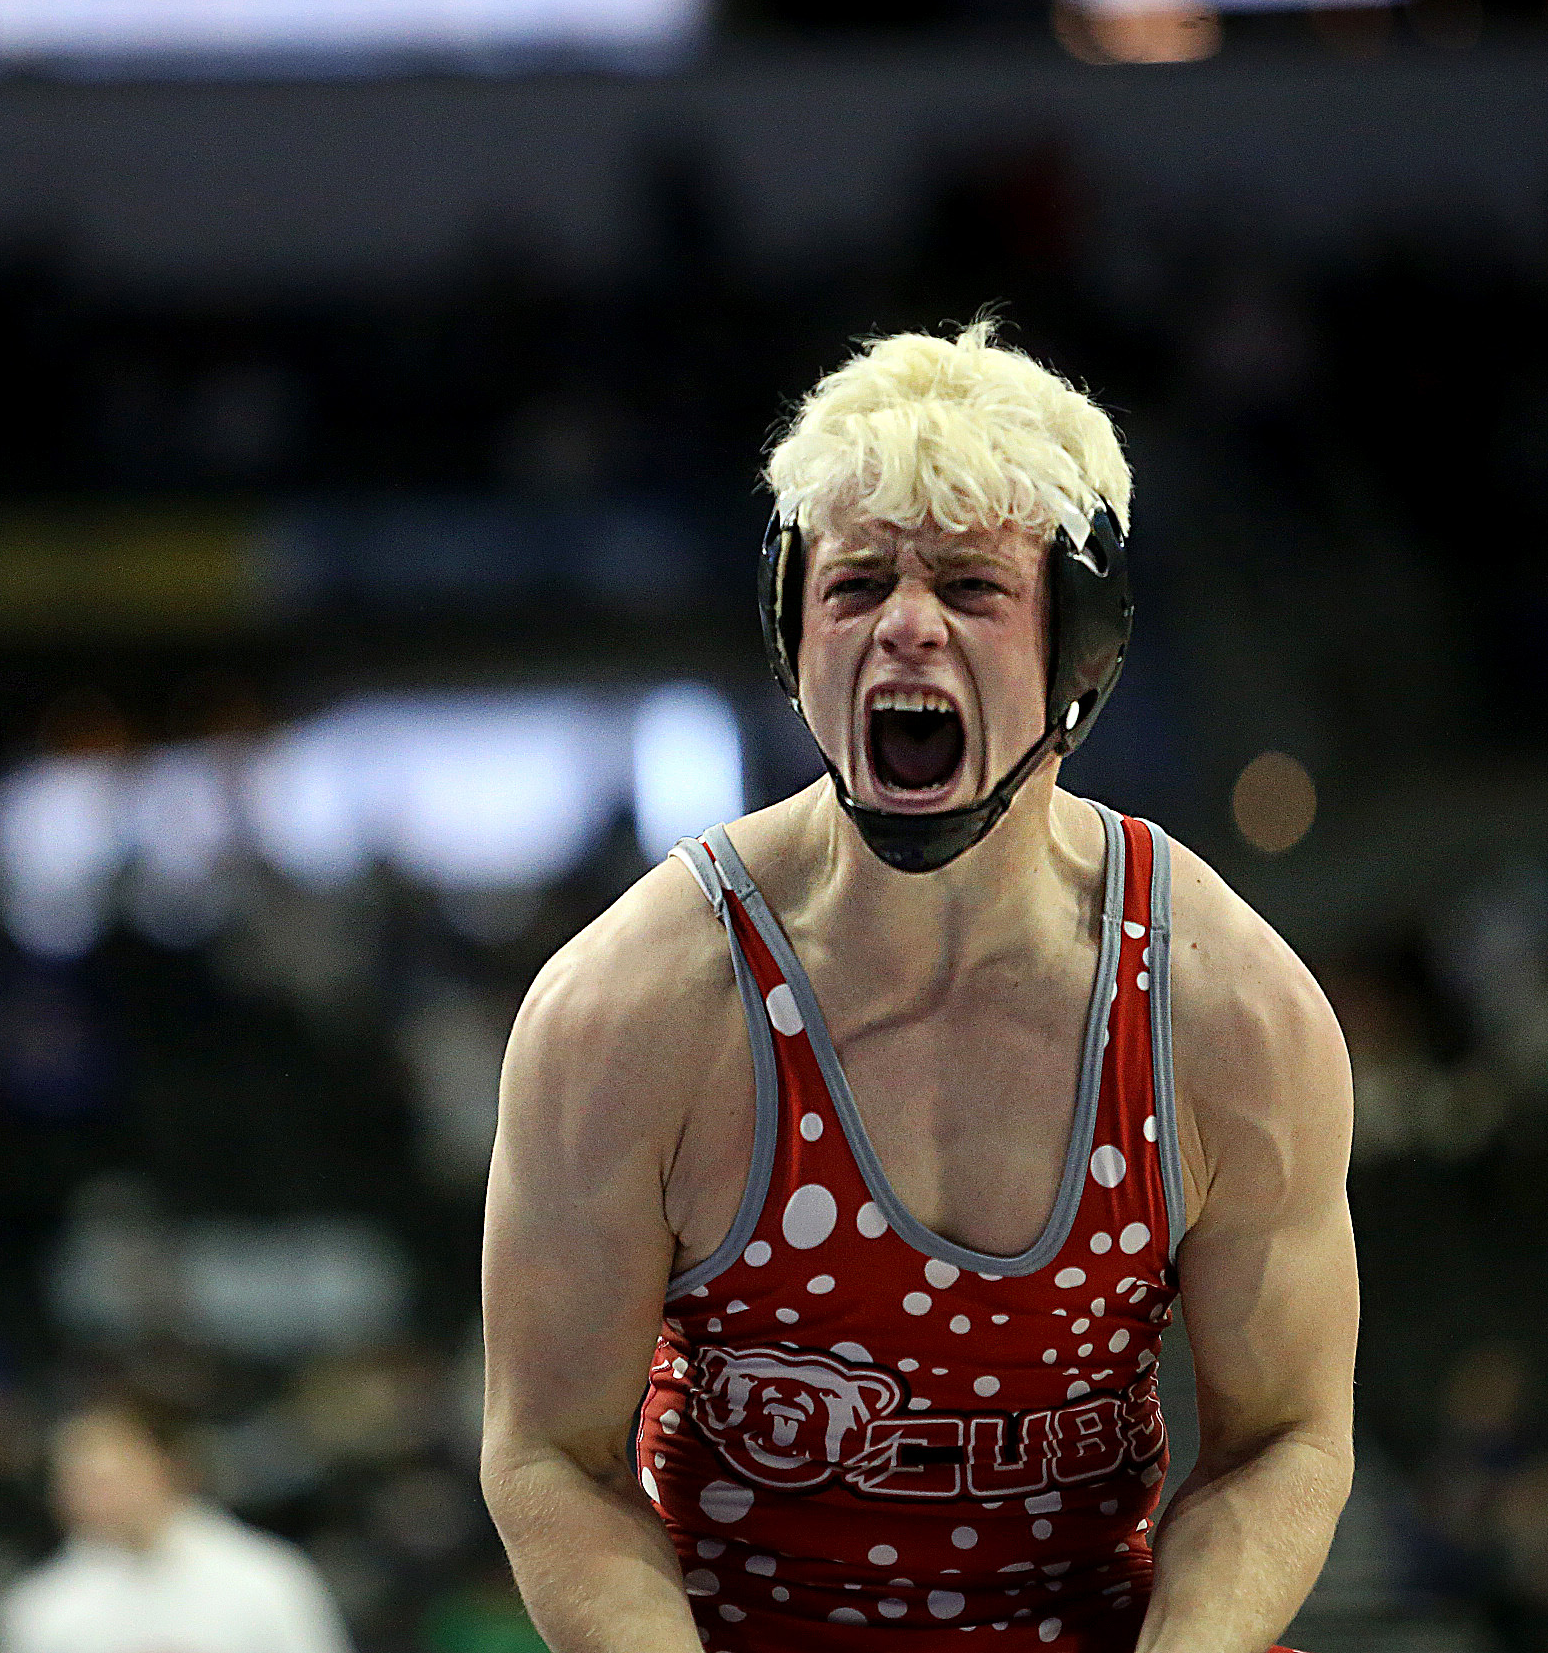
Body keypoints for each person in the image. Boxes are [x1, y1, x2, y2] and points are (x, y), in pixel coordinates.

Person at [479, 321, 1357, 1651]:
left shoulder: (1226, 1011)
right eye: (855, 584)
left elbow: (1284, 1437)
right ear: (792, 630)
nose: (902, 624)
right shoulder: (631, 1009)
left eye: (967, 584)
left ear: (1079, 644)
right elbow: (552, 1453)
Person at [0, 1396, 352, 1653]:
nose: (95, 1497)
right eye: (77, 1482)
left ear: (168, 1469)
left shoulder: (263, 1577)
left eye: (111, 1479)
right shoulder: (42, 1607)